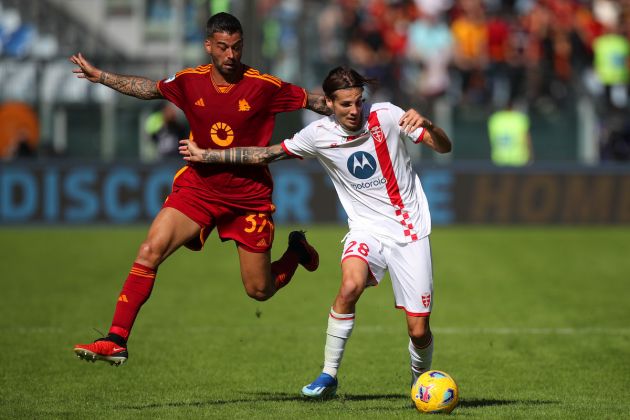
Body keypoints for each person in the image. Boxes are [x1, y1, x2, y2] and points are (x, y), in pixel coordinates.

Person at [70, 12, 329, 366]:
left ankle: (297, 252)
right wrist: (101, 77)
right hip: (199, 188)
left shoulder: (264, 86)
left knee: (259, 290)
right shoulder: (190, 81)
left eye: (237, 47)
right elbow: (148, 89)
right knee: (149, 249)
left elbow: (315, 101)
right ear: (209, 46)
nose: (230, 55)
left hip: (248, 198)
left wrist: (355, 108)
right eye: (222, 47)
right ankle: (117, 339)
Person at [180, 66, 452, 397]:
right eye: (345, 105)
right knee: (350, 285)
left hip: (409, 230)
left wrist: (429, 125)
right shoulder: (318, 134)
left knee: (418, 329)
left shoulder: (388, 115)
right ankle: (328, 375)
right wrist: (207, 155)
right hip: (366, 229)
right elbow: (266, 154)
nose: (354, 111)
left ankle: (419, 382)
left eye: (358, 102)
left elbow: (443, 147)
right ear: (328, 103)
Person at [487, 102, 533, 166]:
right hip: (519, 159)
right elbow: (526, 138)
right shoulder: (519, 118)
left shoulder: (494, 118)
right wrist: (531, 155)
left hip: (499, 159)